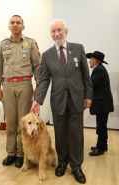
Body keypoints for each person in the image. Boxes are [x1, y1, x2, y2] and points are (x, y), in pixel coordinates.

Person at [31, 19, 92, 184]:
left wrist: (88, 95)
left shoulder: (78, 49)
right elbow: (44, 81)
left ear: (66, 31)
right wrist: (38, 100)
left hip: (77, 99)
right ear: (51, 34)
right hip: (58, 100)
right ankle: (62, 163)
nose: (56, 34)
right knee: (61, 134)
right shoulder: (47, 55)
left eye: (59, 30)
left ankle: (76, 166)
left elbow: (86, 75)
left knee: (76, 135)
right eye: (53, 31)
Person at [0, 15, 41, 168]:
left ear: (23, 26)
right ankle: (11, 153)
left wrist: (38, 85)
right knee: (10, 123)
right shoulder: (3, 44)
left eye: (18, 23)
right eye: (12, 23)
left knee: (23, 122)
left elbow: (37, 66)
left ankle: (21, 154)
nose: (15, 25)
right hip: (7, 86)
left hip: (24, 86)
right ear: (9, 27)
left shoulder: (31, 43)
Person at [86, 51, 114, 156]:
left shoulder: (99, 70)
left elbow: (91, 85)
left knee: (101, 126)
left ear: (96, 60)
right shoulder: (99, 69)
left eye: (91, 59)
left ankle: (101, 147)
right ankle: (102, 145)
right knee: (101, 125)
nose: (89, 61)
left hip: (102, 104)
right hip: (102, 103)